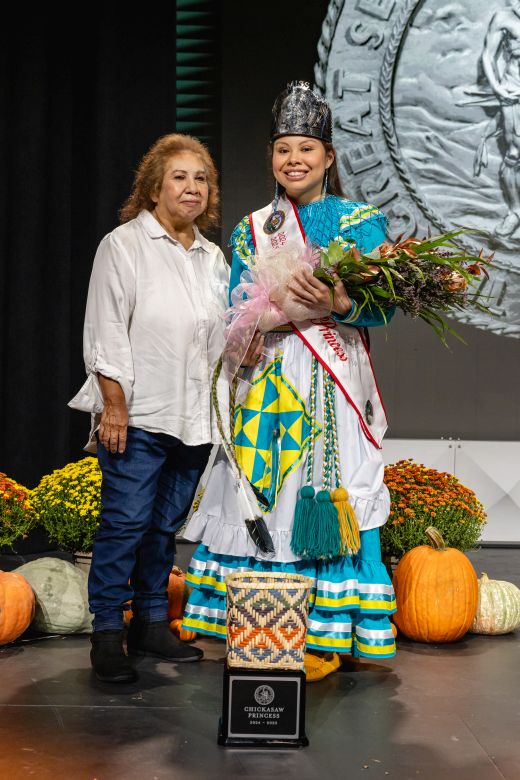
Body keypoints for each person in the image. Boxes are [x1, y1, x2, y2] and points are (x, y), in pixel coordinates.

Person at [180, 82, 397, 682]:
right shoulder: (252, 229)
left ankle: (326, 632)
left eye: (306, 148)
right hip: (269, 378)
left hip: (331, 374)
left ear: (329, 156)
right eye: (283, 149)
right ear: (271, 157)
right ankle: (261, 626)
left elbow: (383, 308)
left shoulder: (360, 222)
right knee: (267, 490)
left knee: (325, 487)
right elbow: (235, 308)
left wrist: (339, 301)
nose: (293, 159)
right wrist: (245, 336)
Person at [68, 133, 230, 683]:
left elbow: (217, 337)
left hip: (195, 419)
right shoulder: (124, 245)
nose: (192, 188)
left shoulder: (213, 258)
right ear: (154, 188)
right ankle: (107, 633)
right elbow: (106, 329)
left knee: (164, 527)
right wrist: (113, 405)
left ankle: (152, 623)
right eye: (179, 177)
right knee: (125, 524)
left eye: (201, 179)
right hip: (139, 416)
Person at [481, 0, 520, 237]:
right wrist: (498, 88)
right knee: (515, 154)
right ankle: (515, 211)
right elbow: (488, 55)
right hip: (515, 91)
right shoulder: (505, 17)